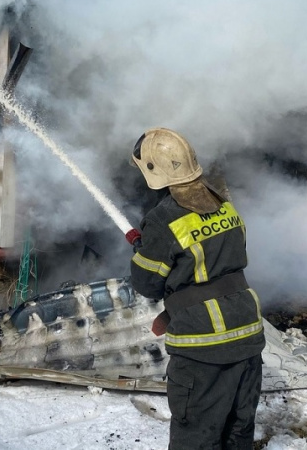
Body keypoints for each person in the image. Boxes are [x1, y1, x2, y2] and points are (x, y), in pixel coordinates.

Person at [125, 128, 266, 450]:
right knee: (237, 429)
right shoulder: (225, 206)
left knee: (197, 434)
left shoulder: (164, 219)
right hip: (247, 333)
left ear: (152, 171)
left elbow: (147, 283)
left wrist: (142, 251)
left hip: (204, 345)